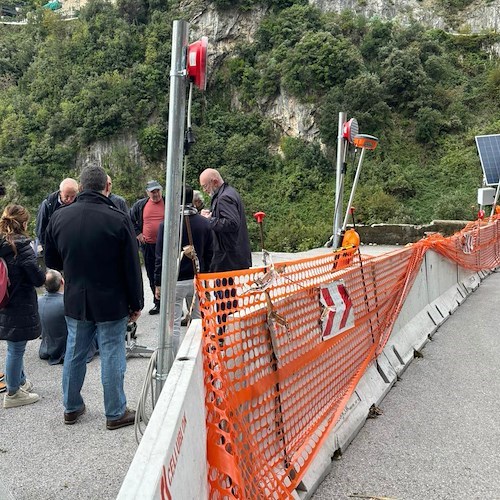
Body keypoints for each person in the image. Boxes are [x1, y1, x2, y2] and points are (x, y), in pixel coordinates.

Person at [45, 165, 144, 429]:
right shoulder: (118, 218)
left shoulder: (59, 217)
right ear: (106, 187)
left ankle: (71, 407)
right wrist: (137, 303)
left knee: (74, 352)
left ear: (80, 186)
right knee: (112, 352)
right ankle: (115, 412)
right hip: (111, 300)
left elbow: (52, 260)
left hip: (76, 298)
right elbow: (132, 268)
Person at [154, 185, 213, 356]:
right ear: (192, 199)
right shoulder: (204, 223)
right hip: (197, 279)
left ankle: (172, 362)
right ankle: (198, 357)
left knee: (173, 326)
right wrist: (206, 277)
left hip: (175, 281)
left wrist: (158, 282)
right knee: (197, 322)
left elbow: (160, 257)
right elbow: (210, 253)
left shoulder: (167, 225)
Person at [0, 204, 45, 408]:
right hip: (19, 303)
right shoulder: (22, 247)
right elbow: (37, 279)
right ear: (24, 223)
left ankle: (20, 381)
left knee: (14, 344)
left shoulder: (3, 244)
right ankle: (13, 393)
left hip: (5, 301)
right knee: (16, 349)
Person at [38, 269, 98, 365]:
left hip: (48, 347)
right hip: (68, 348)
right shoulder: (67, 302)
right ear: (62, 281)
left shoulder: (39, 301)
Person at [199, 168, 252, 272]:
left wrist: (209, 220)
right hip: (234, 256)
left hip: (229, 259)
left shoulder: (224, 197)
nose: (204, 190)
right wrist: (211, 215)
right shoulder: (229, 192)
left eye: (205, 186)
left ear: (215, 182)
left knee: (225, 288)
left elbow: (232, 223)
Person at [130, 180, 165, 315]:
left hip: (166, 246)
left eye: (157, 191)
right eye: (152, 192)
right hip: (149, 245)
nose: (155, 194)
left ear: (161, 190)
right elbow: (130, 219)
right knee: (152, 274)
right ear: (147, 193)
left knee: (169, 273)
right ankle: (158, 303)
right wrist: (138, 233)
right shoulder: (140, 205)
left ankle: (171, 303)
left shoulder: (168, 202)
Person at [35, 178, 79, 250]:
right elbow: (40, 230)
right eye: (66, 196)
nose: (70, 200)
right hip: (53, 246)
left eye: (73, 196)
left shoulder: (79, 202)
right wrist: (47, 248)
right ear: (60, 192)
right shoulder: (48, 204)